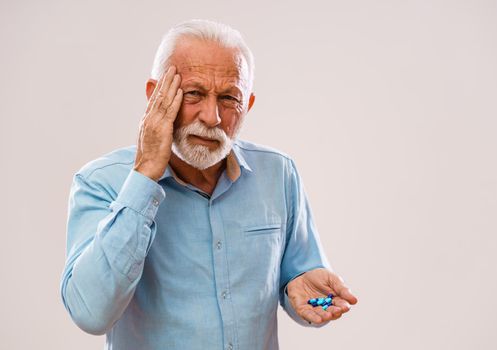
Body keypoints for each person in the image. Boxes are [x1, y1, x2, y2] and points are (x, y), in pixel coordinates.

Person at [60, 19, 358, 350]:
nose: (212, 116)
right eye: (194, 94)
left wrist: (297, 287)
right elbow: (90, 313)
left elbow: (299, 274)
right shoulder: (101, 181)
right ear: (154, 95)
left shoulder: (279, 173)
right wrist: (145, 175)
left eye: (229, 98)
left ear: (248, 105)